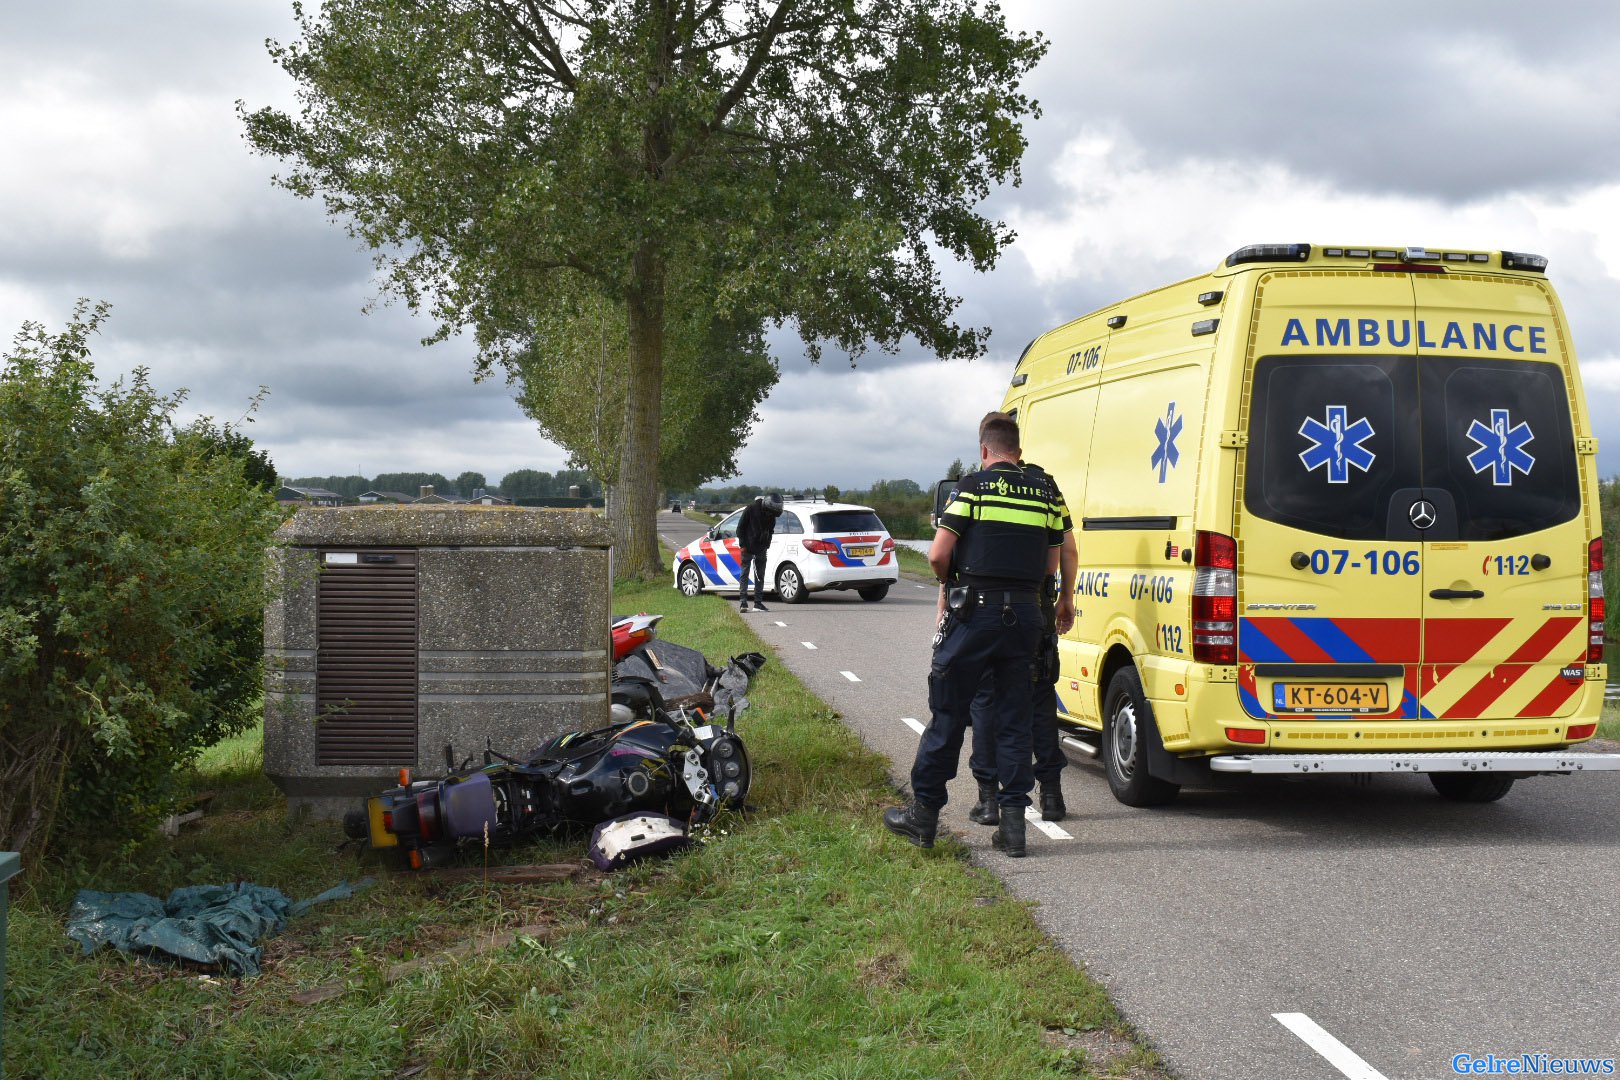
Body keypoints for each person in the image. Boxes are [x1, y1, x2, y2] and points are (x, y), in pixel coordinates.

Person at [883, 415, 1070, 858]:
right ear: (1018, 452)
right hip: (1026, 617)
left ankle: (924, 815)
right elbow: (1051, 564)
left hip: (975, 616)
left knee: (949, 714)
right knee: (1014, 720)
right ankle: (1013, 829)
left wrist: (954, 584)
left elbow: (936, 556)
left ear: (985, 451)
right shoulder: (1045, 492)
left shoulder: (972, 488)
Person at [967, 457, 1078, 825]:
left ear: (988, 450)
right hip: (1037, 612)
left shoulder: (980, 486)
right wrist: (1065, 598)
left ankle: (988, 800)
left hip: (987, 609)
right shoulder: (1046, 488)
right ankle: (1051, 795)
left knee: (986, 701)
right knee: (1040, 700)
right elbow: (1067, 551)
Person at [736, 492, 782, 612]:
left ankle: (758, 603)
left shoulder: (771, 515)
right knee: (744, 573)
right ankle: (743, 602)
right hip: (747, 547)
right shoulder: (750, 509)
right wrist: (743, 545)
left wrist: (767, 545)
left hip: (761, 548)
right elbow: (740, 528)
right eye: (771, 511)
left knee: (760, 575)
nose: (771, 514)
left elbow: (770, 531)